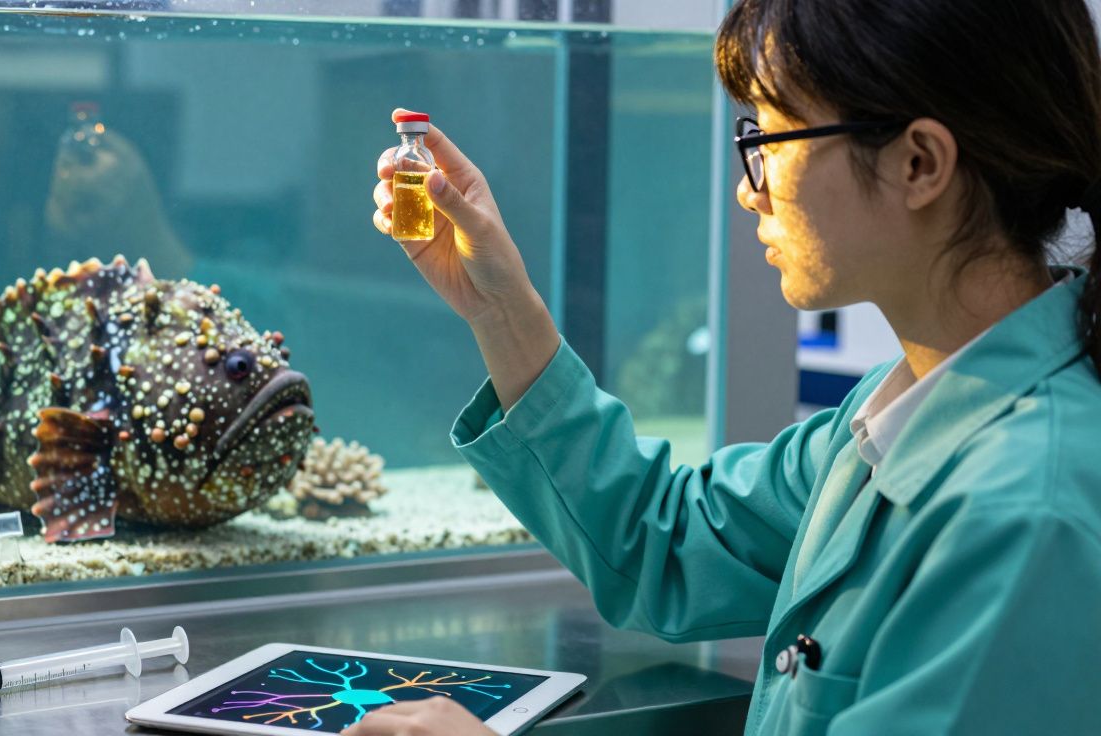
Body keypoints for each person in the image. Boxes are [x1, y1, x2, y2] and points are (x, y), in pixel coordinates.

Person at [345, 1, 1101, 734]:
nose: (747, 189)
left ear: (919, 162)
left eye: (770, 138)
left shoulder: (1027, 521)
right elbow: (668, 539)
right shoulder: (894, 412)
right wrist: (502, 309)